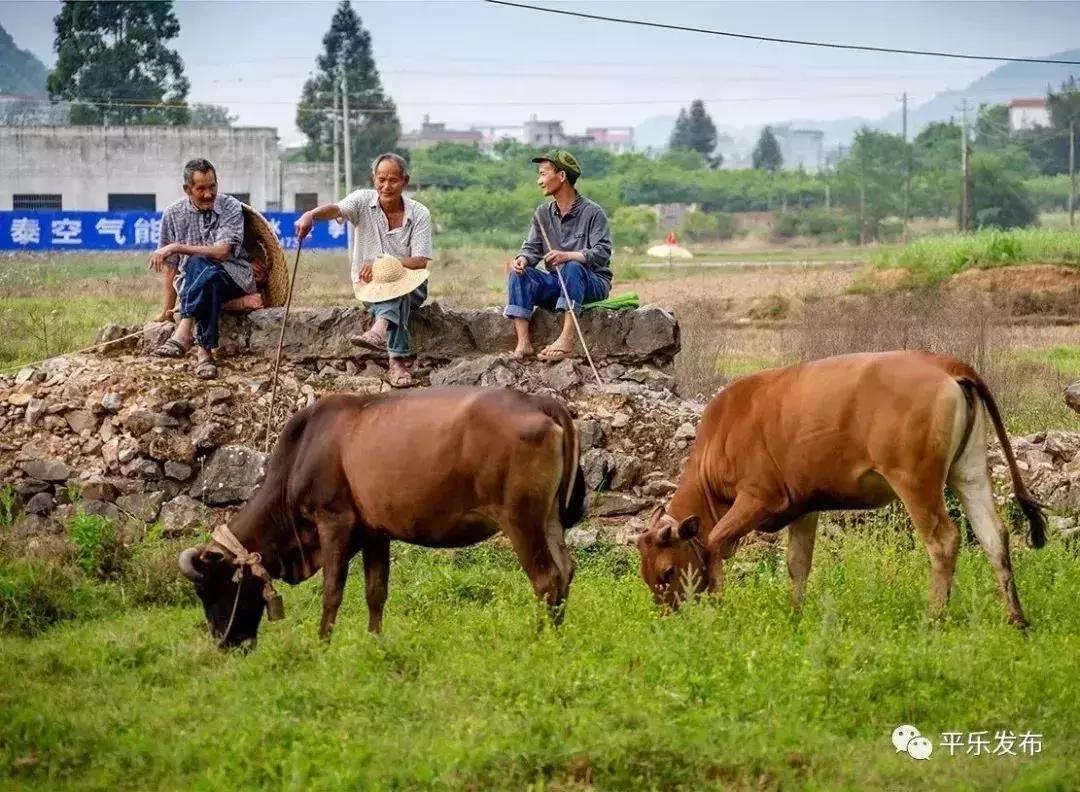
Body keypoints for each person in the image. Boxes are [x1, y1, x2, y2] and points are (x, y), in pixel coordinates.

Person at [295, 153, 432, 388]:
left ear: (405, 181)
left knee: (399, 285)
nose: (386, 186)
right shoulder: (361, 201)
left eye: (393, 180)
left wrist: (383, 264)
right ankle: (396, 362)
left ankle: (379, 329)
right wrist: (311, 215)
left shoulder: (419, 214)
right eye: (381, 180)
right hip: (369, 286)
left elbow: (420, 262)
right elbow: (336, 209)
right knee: (391, 290)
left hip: (413, 285)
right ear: (373, 179)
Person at [149, 159, 256, 379]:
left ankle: (184, 332)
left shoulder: (230, 207)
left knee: (199, 262)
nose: (208, 194)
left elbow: (222, 252)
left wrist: (177, 247)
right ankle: (204, 354)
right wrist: (167, 311)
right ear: (187, 190)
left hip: (233, 276)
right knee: (205, 275)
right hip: (200, 282)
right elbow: (171, 267)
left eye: (212, 186)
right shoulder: (173, 214)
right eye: (201, 189)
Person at [505, 149, 613, 361]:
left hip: (592, 282)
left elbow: (602, 253)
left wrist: (568, 256)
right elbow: (532, 249)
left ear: (562, 176)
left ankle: (566, 339)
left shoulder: (593, 213)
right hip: (557, 282)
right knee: (519, 273)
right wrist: (523, 260)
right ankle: (524, 343)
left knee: (572, 267)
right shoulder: (542, 213)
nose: (539, 181)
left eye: (543, 174)